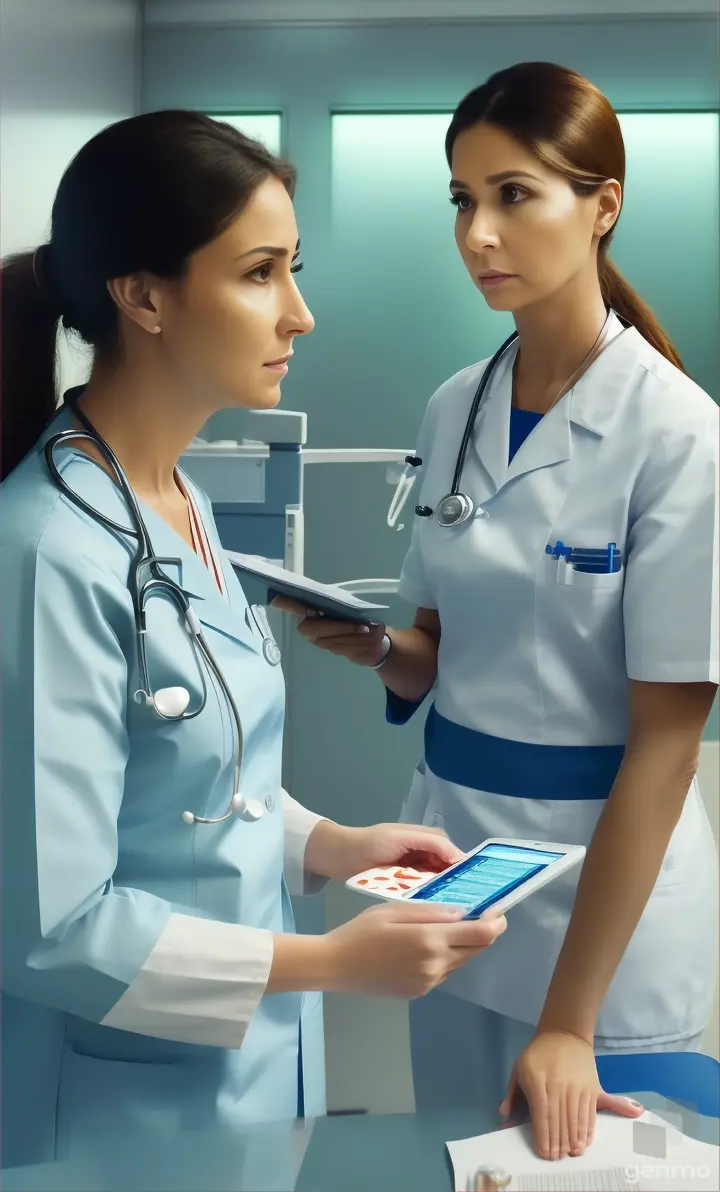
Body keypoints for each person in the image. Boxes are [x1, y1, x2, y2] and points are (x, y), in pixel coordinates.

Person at [0, 110, 507, 1169]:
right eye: (260, 273)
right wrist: (329, 963)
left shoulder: (174, 499)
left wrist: (330, 847)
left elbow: (193, 780)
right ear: (142, 297)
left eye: (294, 268)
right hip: (114, 1109)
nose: (301, 314)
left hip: (250, 1083)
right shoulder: (48, 553)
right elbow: (52, 927)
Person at [276, 63, 719, 1162]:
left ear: (602, 204)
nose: (480, 233)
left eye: (514, 194)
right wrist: (384, 648)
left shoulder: (678, 436)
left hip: (605, 903)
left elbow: (665, 750)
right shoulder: (455, 402)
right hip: (461, 870)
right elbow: (438, 657)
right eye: (463, 201)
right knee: (462, 1168)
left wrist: (571, 1022)